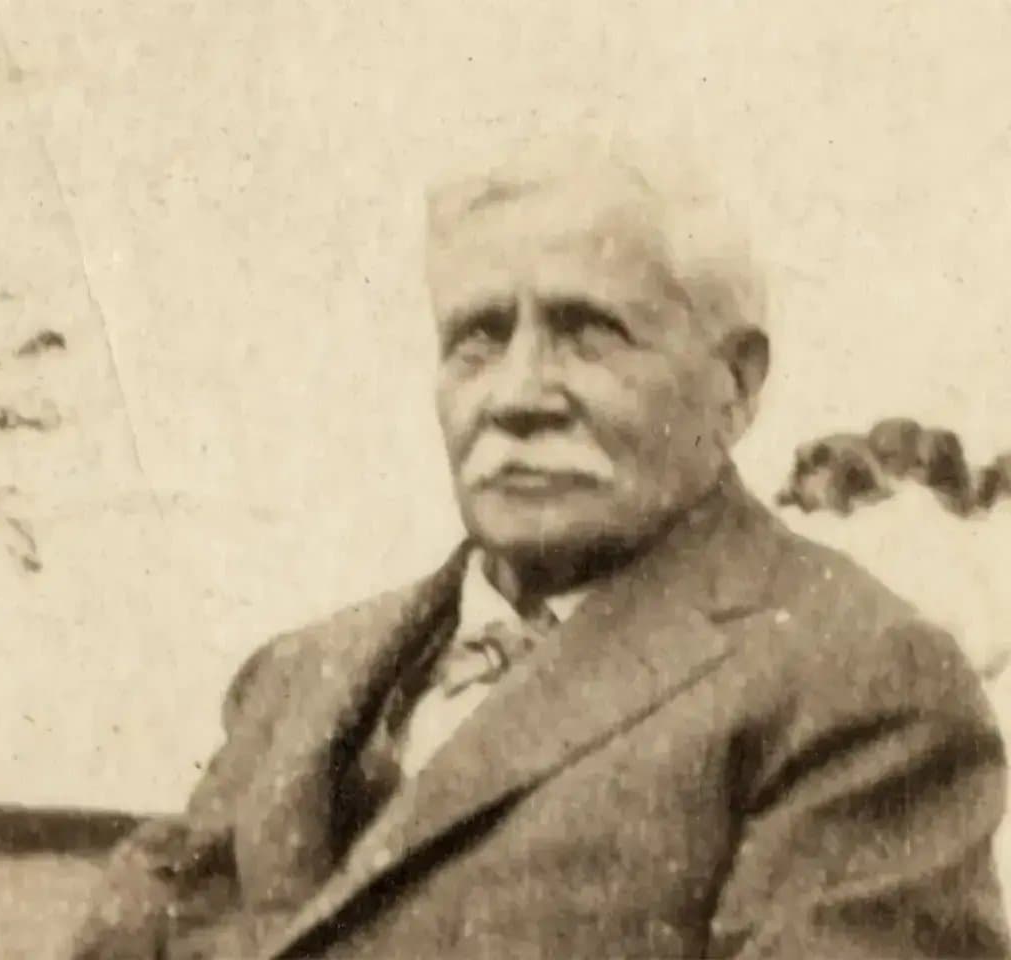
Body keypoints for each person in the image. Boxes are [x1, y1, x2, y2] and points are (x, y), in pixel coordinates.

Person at [71, 135, 1010, 959]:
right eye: (476, 338)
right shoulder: (296, 678)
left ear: (736, 381)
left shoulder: (859, 684)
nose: (517, 395)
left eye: (587, 333)